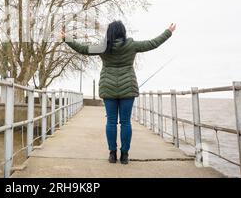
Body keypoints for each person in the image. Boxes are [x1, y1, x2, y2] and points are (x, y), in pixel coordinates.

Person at [60, 21, 176, 164]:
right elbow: (153, 43)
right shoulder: (132, 45)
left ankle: (112, 154)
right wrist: (168, 32)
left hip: (108, 88)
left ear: (109, 32)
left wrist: (67, 38)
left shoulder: (103, 47)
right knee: (126, 123)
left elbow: (83, 49)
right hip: (128, 88)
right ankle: (125, 155)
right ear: (123, 32)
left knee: (111, 122)